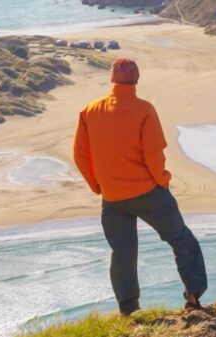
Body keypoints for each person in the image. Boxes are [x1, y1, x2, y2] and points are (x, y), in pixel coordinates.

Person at [73, 58, 207, 315]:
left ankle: (129, 310)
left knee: (123, 253)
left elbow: (80, 155)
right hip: (148, 192)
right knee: (181, 240)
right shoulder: (144, 110)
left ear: (111, 79)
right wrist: (162, 180)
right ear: (137, 79)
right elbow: (153, 156)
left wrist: (96, 185)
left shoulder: (90, 110)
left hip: (112, 197)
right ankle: (193, 297)